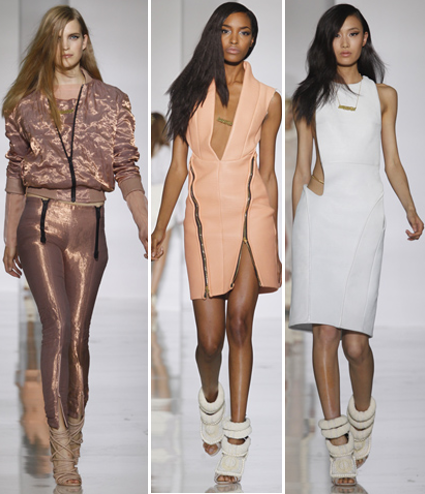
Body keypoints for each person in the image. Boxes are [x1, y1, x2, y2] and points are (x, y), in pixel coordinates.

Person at [2, 6, 148, 487]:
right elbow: (15, 171)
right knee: (58, 327)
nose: (65, 47)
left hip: (90, 225)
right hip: (39, 223)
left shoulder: (112, 101)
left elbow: (126, 166)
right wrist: (8, 235)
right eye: (58, 38)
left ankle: (74, 429)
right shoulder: (24, 103)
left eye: (73, 37)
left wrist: (145, 223)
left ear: (85, 41)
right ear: (48, 44)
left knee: (79, 340)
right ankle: (61, 450)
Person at [289, 3, 423, 487]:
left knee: (356, 342)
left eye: (352, 34)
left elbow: (392, 160)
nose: (344, 43)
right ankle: (337, 442)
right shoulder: (308, 96)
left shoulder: (383, 96)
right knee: (325, 331)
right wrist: (295, 232)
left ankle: (361, 413)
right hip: (319, 217)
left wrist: (411, 209)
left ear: (365, 38)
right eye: (336, 35)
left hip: (365, 216)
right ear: (326, 41)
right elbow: (301, 169)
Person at [151, 2, 281, 484]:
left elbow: (268, 170)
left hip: (251, 215)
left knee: (240, 324)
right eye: (226, 31)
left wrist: (273, 235)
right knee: (209, 343)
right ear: (214, 35)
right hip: (203, 217)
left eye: (244, 32)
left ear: (253, 40)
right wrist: (160, 226)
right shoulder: (189, 91)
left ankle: (237, 437)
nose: (234, 40)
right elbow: (177, 168)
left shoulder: (269, 99)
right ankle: (211, 398)